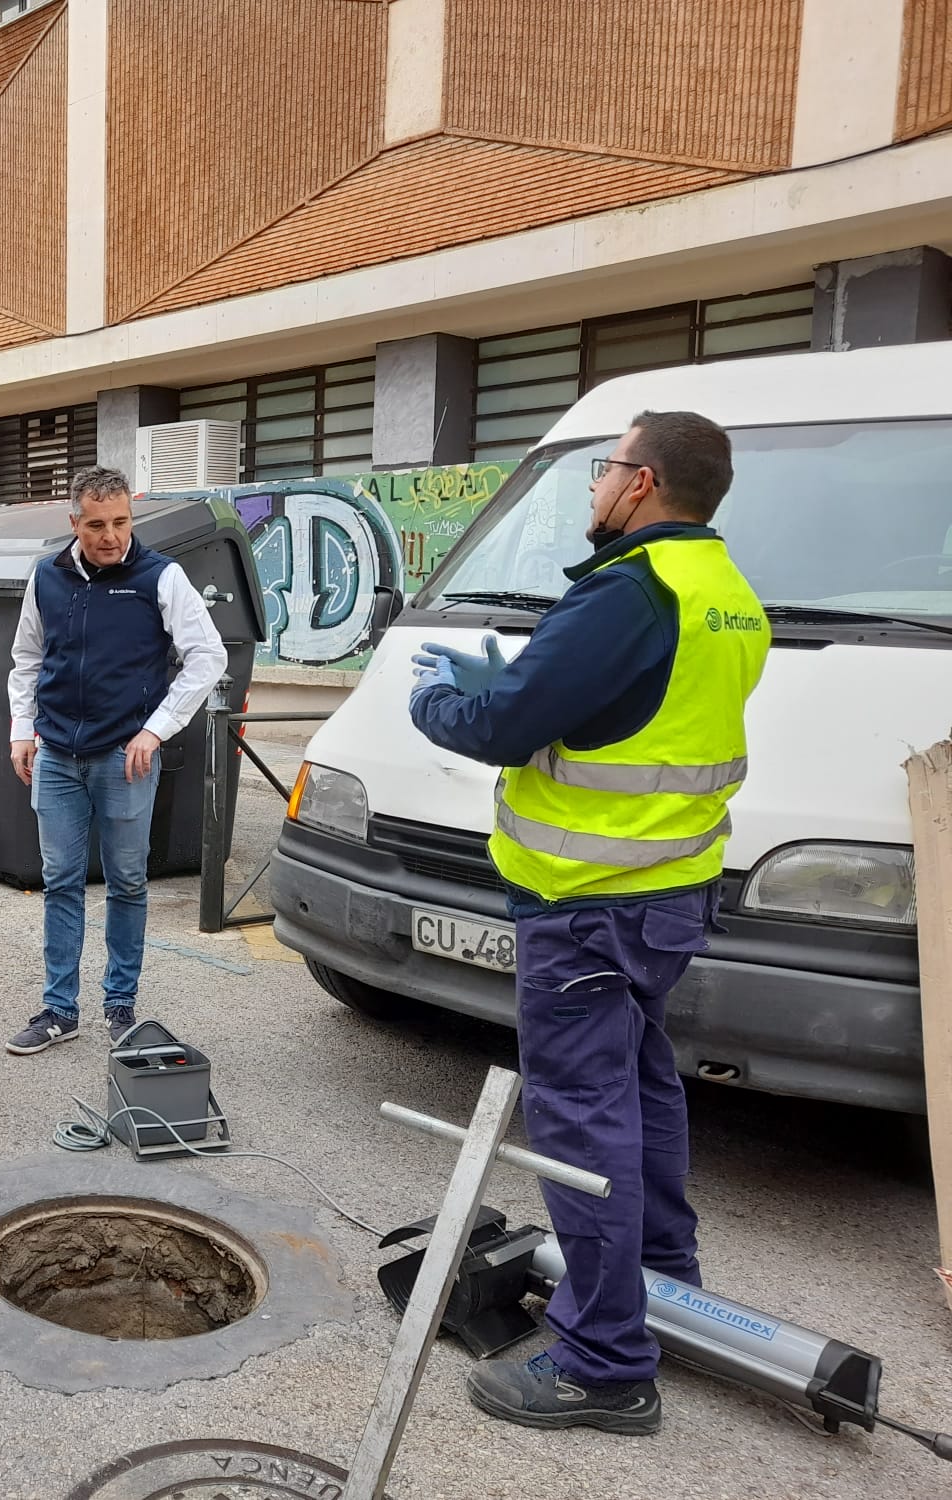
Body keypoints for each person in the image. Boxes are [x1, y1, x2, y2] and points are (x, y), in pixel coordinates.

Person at [409, 410, 767, 1437]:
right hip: (666, 895)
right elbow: (632, 716)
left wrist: (438, 700)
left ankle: (605, 1362)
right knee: (641, 1088)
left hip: (583, 910)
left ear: (641, 482)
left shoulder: (625, 591)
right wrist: (517, 684)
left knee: (579, 1117)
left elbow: (502, 728)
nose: (593, 487)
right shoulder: (722, 594)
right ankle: (657, 1280)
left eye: (603, 468)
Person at [4, 467, 227, 1055]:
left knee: (127, 882)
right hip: (54, 754)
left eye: (122, 522)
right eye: (97, 524)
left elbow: (207, 656)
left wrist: (155, 731)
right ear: (73, 523)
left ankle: (120, 1005)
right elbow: (27, 658)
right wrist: (21, 731)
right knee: (61, 882)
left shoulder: (160, 577)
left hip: (125, 757)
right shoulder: (46, 577)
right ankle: (58, 1009)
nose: (111, 536)